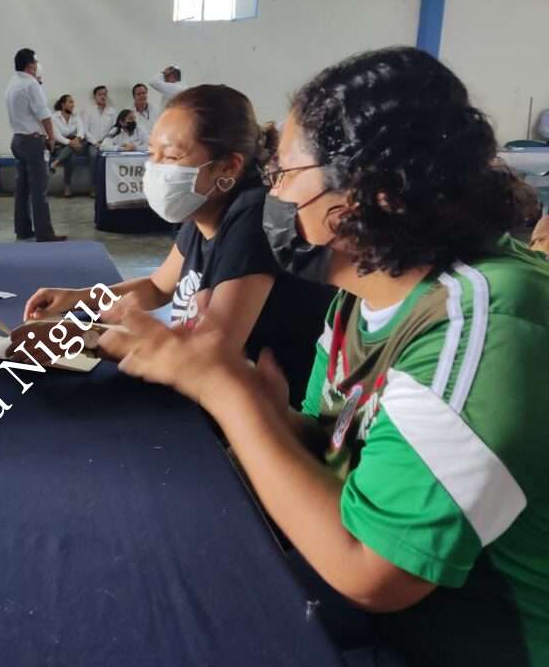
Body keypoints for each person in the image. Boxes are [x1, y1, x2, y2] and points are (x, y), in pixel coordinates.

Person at [101, 47, 549, 666]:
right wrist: (276, 417)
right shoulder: (359, 298)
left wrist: (225, 391)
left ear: (372, 193)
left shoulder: (481, 322)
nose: (272, 192)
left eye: (283, 173)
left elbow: (374, 573)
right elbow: (336, 451)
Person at [20, 84, 332, 408]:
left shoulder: (253, 219)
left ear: (228, 167)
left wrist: (90, 339)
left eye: (170, 156)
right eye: (152, 152)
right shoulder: (204, 210)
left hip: (271, 415)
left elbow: (210, 354)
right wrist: (79, 299)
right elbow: (157, 286)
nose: (154, 167)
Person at [5, 48, 66, 242]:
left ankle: (22, 229)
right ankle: (44, 232)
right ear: (30, 65)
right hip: (32, 141)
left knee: (22, 189)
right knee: (39, 189)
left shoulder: (13, 83)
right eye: (36, 62)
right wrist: (51, 137)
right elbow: (44, 114)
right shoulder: (31, 85)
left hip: (18, 140)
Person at [50, 94, 93, 198]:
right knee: (71, 158)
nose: (73, 105)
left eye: (73, 102)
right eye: (70, 102)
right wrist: (70, 143)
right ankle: (67, 186)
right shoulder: (54, 117)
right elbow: (57, 136)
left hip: (77, 143)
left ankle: (56, 162)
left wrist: (77, 139)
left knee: (78, 147)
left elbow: (81, 130)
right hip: (61, 146)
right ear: (63, 104)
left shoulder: (76, 115)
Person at [82, 85, 117, 149]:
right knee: (93, 154)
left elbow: (115, 128)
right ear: (94, 96)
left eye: (104, 94)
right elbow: (85, 130)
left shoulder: (112, 111)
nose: (102, 96)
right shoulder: (88, 111)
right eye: (100, 94)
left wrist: (106, 140)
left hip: (107, 142)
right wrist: (95, 142)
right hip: (92, 143)